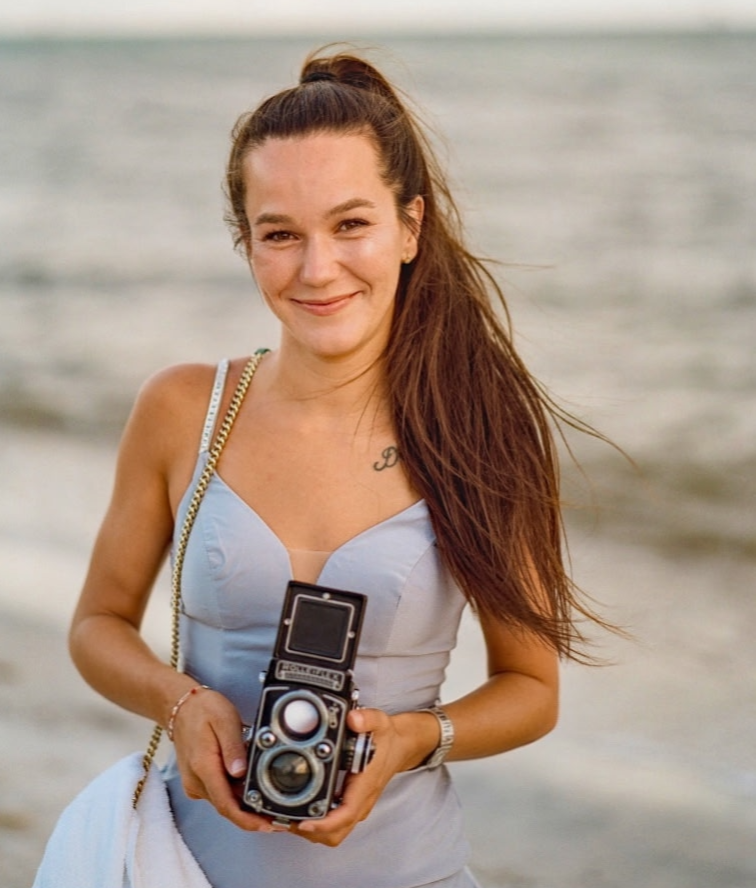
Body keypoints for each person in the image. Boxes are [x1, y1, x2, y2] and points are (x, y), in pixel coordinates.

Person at [69, 47, 612, 888]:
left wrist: (413, 738)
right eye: (280, 234)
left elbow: (531, 687)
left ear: (410, 226)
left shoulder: (481, 429)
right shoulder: (185, 411)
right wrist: (179, 703)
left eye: (350, 224)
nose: (317, 269)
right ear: (246, 243)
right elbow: (97, 624)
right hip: (186, 870)